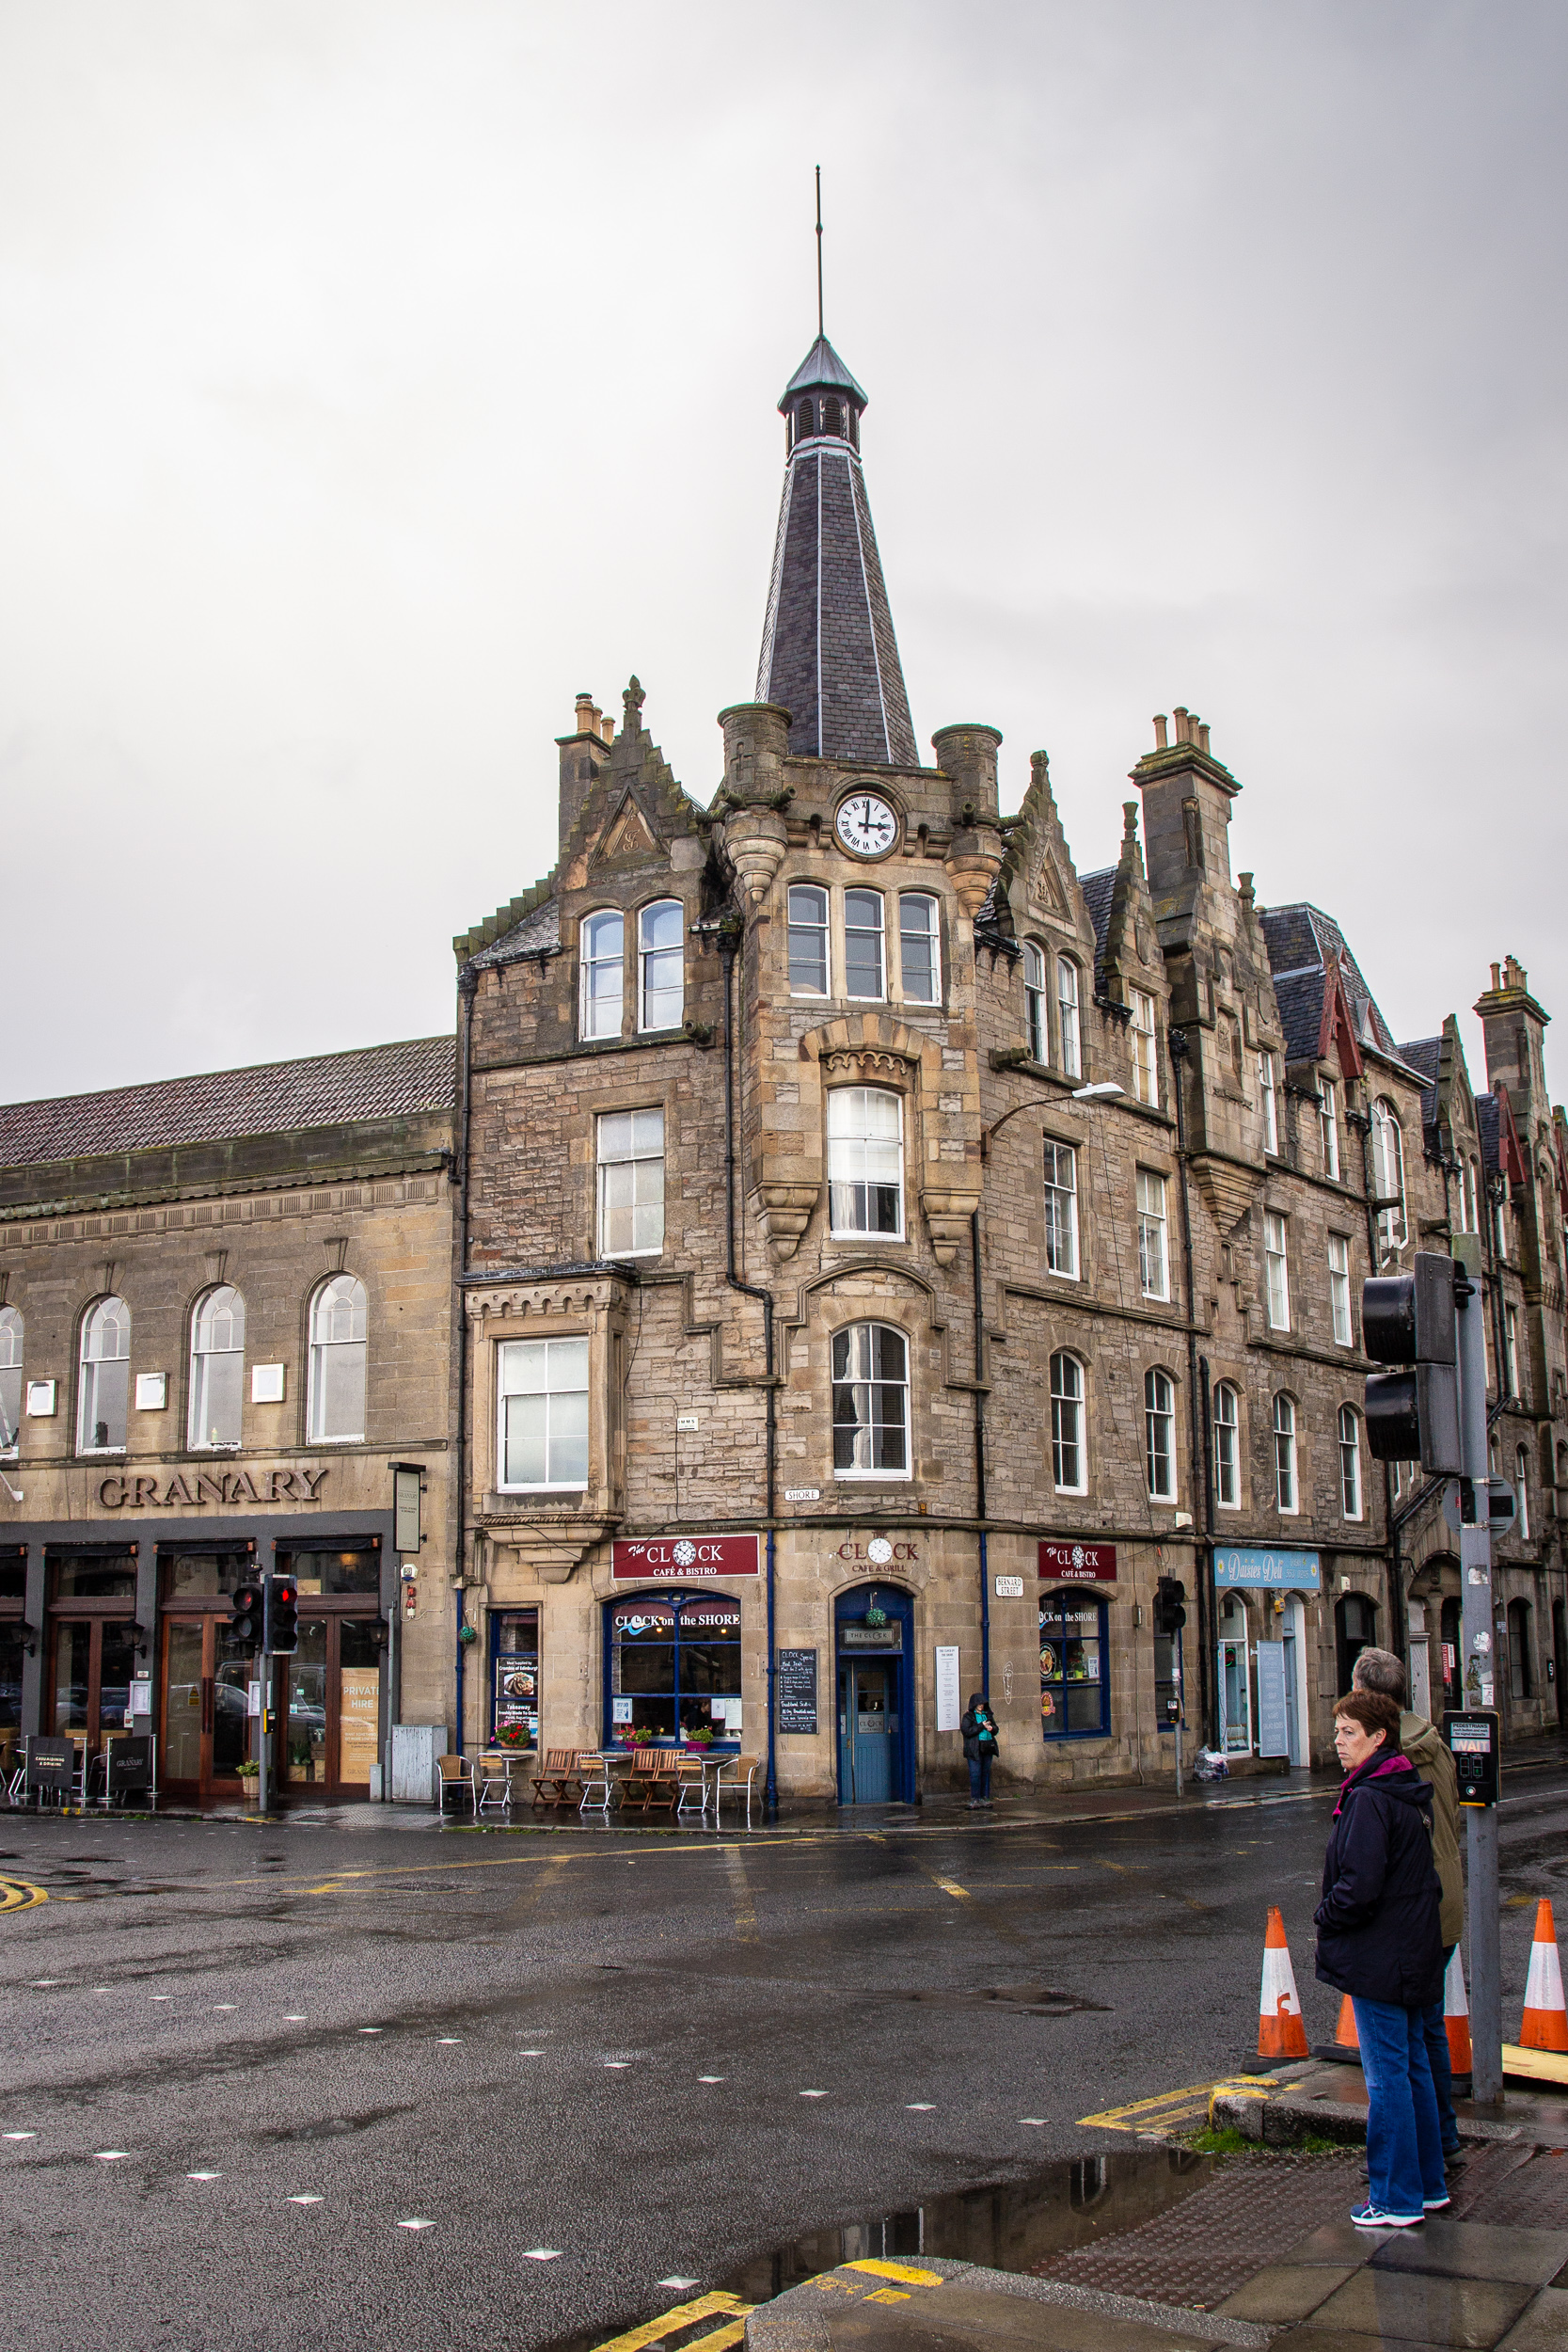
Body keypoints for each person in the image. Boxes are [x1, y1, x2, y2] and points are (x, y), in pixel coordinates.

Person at [1315, 1689, 1448, 2228]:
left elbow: (1359, 1887)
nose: (1338, 1741)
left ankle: (1394, 2198)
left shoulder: (1370, 1797)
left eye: (1349, 1732)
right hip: (1412, 1948)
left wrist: (1325, 1914)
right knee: (1414, 2068)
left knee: (1387, 2077)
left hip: (1380, 1956)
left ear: (1378, 1737)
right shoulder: (1404, 1787)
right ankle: (1428, 2186)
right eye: (1338, 1731)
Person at [1353, 1646, 1465, 2168]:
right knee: (1428, 2028)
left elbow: (1372, 1856)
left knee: (1398, 2049)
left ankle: (1406, 2166)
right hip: (1446, 1901)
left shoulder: (1385, 1759)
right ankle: (1441, 2140)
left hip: (1410, 1910)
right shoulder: (1435, 1744)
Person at [960, 1692, 999, 1807]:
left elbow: (996, 1729)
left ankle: (983, 1797)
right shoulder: (969, 1716)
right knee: (975, 1774)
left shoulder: (988, 1715)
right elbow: (966, 1731)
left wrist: (991, 1728)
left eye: (982, 1704)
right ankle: (975, 1798)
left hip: (987, 1746)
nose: (981, 1706)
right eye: (979, 1704)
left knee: (984, 1773)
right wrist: (981, 1726)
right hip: (974, 1748)